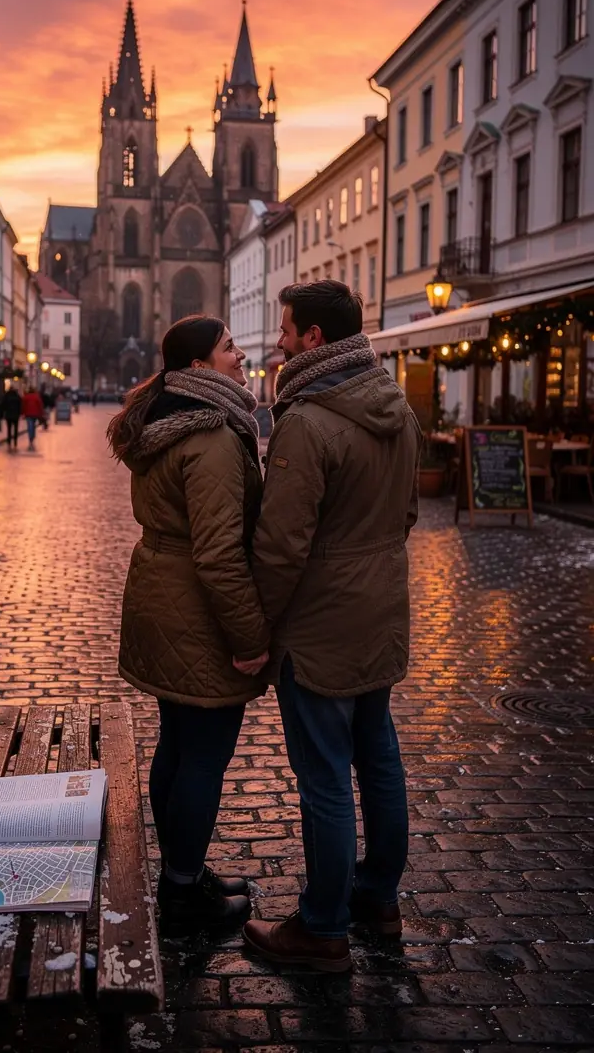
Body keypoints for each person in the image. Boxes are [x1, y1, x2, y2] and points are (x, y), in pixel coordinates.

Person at [243, 280, 420, 974]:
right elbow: (406, 513)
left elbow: (281, 547)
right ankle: (377, 898)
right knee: (378, 759)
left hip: (319, 626)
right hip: (380, 612)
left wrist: (255, 630)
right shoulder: (398, 406)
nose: (279, 341)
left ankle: (321, 928)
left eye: (287, 330)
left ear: (314, 338)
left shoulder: (308, 420)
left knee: (323, 777)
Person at [107, 316, 270, 939]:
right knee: (203, 755)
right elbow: (220, 554)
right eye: (229, 345)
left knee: (177, 742)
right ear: (200, 367)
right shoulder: (214, 436)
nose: (241, 352)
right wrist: (250, 638)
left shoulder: (169, 418)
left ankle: (183, 870)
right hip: (196, 613)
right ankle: (180, 894)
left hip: (161, 596)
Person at [21, 384, 44, 450]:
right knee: (33, 426)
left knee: (29, 426)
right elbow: (40, 405)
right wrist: (41, 413)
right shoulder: (37, 397)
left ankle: (30, 438)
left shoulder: (26, 397)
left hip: (28, 414)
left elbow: (23, 406)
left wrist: (22, 413)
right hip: (35, 414)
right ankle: (32, 437)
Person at [2, 384, 22, 449]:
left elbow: (3, 404)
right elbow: (20, 405)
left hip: (8, 415)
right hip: (16, 415)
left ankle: (9, 442)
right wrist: (19, 413)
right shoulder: (17, 396)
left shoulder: (6, 395)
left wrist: (4, 412)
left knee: (9, 429)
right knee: (15, 429)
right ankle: (15, 442)